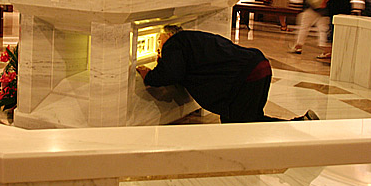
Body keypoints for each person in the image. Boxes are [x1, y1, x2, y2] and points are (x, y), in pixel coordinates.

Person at [136, 25, 319, 123]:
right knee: (241, 121)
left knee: (242, 125)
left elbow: (172, 73)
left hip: (248, 75)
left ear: (168, 35)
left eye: (159, 43)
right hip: (258, 66)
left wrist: (149, 75)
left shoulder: (175, 42)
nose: (159, 50)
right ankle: (302, 124)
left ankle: (301, 126)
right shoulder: (193, 41)